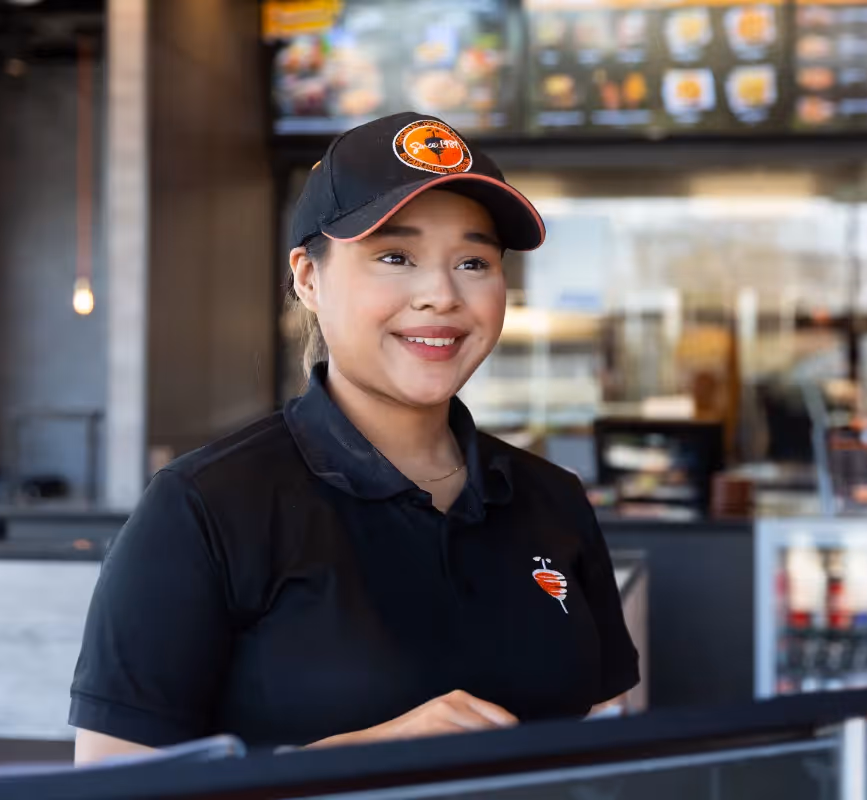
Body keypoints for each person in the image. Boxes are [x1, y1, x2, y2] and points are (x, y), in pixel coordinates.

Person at [71, 112, 640, 764]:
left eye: (474, 261)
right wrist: (361, 757)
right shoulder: (204, 506)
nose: (440, 295)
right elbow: (111, 784)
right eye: (394, 257)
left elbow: (610, 745)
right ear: (308, 279)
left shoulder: (554, 502)